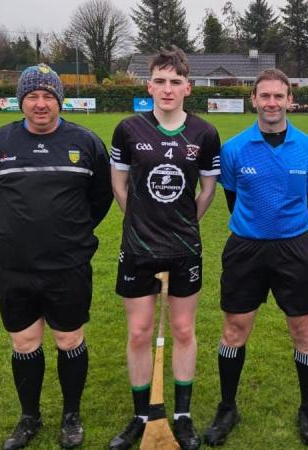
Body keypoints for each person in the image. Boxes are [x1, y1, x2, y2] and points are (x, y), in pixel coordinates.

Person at [0, 63, 112, 450]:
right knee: (24, 342)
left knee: (69, 338)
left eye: (48, 96)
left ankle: (71, 414)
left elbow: (100, 199)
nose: (40, 104)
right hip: (14, 264)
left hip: (66, 264)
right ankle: (29, 417)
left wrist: (68, 232)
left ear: (59, 101)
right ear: (21, 101)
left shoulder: (86, 143)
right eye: (33, 96)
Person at [202, 68, 308, 447]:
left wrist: (283, 229)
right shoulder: (234, 149)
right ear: (253, 100)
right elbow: (232, 198)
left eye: (279, 96)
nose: (272, 103)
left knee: (303, 330)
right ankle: (227, 406)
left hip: (294, 248)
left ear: (290, 100)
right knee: (234, 329)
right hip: (245, 247)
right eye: (265, 96)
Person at [108, 46, 221, 450]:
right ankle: (142, 415)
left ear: (188, 87)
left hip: (184, 247)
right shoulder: (128, 129)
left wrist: (186, 222)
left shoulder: (204, 133)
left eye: (176, 82)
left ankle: (183, 416)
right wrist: (137, 217)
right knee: (138, 332)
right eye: (160, 81)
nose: (168, 89)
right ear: (148, 86)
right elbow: (118, 183)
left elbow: (207, 189)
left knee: (183, 329)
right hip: (137, 247)